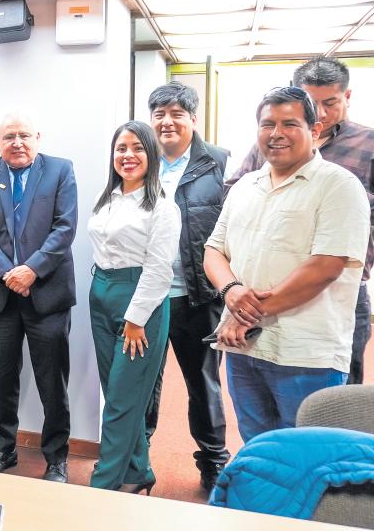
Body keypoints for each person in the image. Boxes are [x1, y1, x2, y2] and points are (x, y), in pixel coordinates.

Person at [226, 57, 374, 385]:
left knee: (336, 397)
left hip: (337, 292)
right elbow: (232, 194)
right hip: (265, 289)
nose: (321, 114)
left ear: (347, 96)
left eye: (331, 102)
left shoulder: (373, 144)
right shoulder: (271, 143)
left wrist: (354, 200)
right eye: (312, 103)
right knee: (259, 388)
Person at [206, 87, 370, 442]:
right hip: (245, 347)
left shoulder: (338, 186)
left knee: (307, 452)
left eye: (289, 124)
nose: (276, 133)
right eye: (268, 124)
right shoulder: (245, 186)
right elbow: (214, 250)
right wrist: (231, 290)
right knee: (257, 445)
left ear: (315, 129)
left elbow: (325, 266)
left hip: (305, 353)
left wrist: (244, 314)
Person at [0, 113, 77, 481]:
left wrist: (32, 270)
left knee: (52, 380)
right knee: (1, 378)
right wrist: (8, 273)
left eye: (24, 135)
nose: (17, 142)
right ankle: (4, 448)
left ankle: (56, 457)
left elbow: (65, 228)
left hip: (47, 294)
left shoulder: (60, 170)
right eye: (9, 136)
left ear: (37, 137)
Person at [144, 83, 232, 491]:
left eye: (176, 113)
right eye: (159, 114)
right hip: (148, 297)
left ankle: (213, 463)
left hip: (198, 296)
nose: (167, 121)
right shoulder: (139, 160)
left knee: (204, 384)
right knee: (143, 383)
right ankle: (135, 458)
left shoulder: (219, 162)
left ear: (193, 119)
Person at [88, 120, 181, 494]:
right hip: (101, 294)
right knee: (117, 393)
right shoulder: (108, 198)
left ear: (152, 154)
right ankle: (138, 471)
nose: (128, 155)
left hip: (139, 305)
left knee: (121, 403)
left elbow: (159, 269)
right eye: (121, 148)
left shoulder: (162, 206)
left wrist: (136, 319)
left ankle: (103, 485)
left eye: (137, 148)